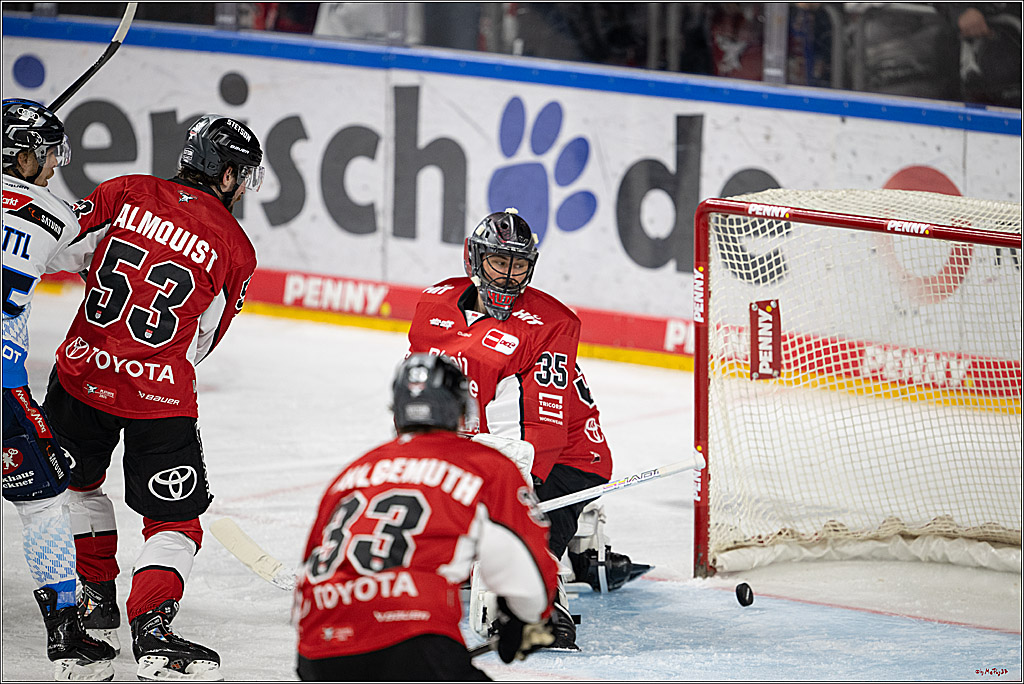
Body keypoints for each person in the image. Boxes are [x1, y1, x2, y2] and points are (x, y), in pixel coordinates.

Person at [40, 114, 264, 681]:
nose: (243, 188)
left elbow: (56, 249)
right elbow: (204, 339)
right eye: (242, 176)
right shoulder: (236, 246)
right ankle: (153, 631)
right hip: (159, 399)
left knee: (76, 486)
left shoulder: (125, 191)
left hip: (80, 377)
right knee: (175, 521)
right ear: (228, 174)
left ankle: (94, 603)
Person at [405, 208, 646, 651]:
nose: (509, 275)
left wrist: (512, 513)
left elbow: (541, 433)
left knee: (522, 537)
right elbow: (418, 389)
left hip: (566, 459)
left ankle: (545, 597)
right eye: (499, 261)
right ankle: (579, 551)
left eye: (519, 265)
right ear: (474, 259)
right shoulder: (435, 304)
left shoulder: (551, 324)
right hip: (478, 447)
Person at [294, 353, 559, 681]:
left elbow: (310, 564)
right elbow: (525, 567)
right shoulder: (484, 464)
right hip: (410, 638)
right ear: (460, 408)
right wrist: (525, 618)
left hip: (318, 648)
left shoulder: (352, 473)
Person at [2, 98, 118, 682]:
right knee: (43, 497)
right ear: (20, 156)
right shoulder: (49, 212)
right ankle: (66, 634)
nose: (53, 165)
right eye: (47, 154)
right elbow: (94, 251)